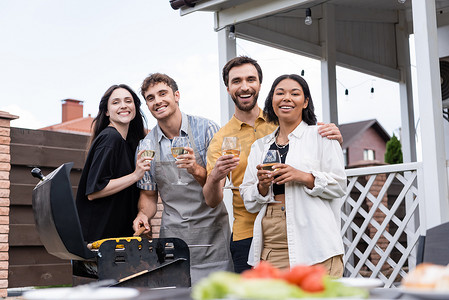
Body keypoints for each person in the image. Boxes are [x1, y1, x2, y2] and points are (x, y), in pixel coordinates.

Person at [203, 56, 343, 273]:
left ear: (260, 84)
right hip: (252, 236)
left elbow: (335, 179)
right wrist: (216, 176)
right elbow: (213, 199)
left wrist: (331, 144)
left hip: (307, 228)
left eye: (251, 79)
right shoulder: (225, 140)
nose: (245, 86)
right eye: (237, 81)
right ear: (228, 88)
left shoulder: (291, 121)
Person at [240, 74, 346, 277]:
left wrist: (303, 176)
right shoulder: (259, 146)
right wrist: (261, 186)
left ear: (305, 102)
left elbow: (340, 186)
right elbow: (249, 200)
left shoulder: (322, 136)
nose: (286, 98)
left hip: (316, 242)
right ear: (272, 100)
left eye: (295, 93)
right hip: (272, 242)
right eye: (280, 93)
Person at [132, 73, 233, 284]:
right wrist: (143, 215)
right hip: (174, 236)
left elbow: (217, 187)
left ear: (176, 95)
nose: (157, 101)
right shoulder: (146, 145)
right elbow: (149, 195)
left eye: (163, 93)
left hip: (212, 234)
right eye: (150, 98)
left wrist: (195, 169)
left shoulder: (208, 130)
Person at [76, 84, 151, 242]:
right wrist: (135, 175)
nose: (123, 105)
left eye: (128, 101)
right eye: (116, 102)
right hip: (100, 244)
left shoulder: (126, 143)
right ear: (107, 111)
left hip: (113, 242)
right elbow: (94, 191)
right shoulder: (110, 139)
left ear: (135, 107)